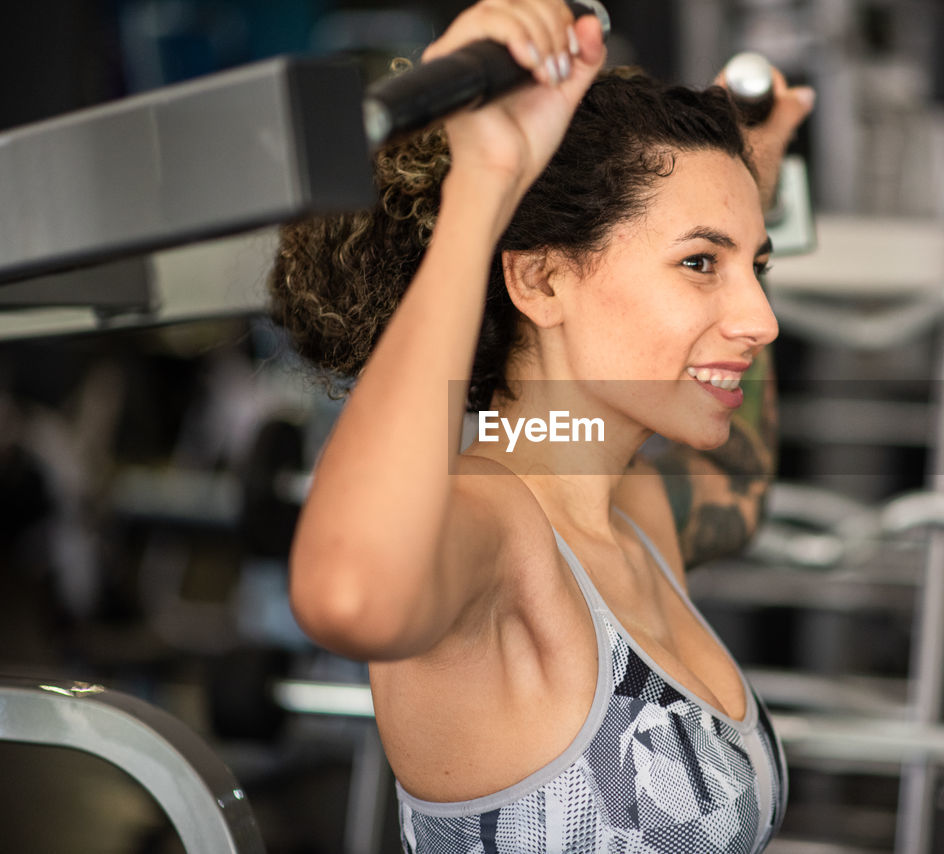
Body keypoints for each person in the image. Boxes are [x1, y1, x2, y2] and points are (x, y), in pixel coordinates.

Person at [268, 1, 813, 851]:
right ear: (543, 282)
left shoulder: (628, 518)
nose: (762, 318)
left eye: (758, 267)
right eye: (701, 263)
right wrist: (483, 184)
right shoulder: (495, 532)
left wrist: (757, 182)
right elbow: (348, 592)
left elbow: (735, 492)